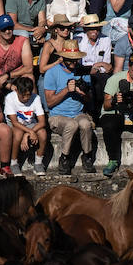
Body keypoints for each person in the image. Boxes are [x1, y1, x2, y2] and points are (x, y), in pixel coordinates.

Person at [42, 46, 96, 175]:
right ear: (63, 58)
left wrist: (83, 94)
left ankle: (87, 156)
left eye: (76, 59)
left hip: (78, 113)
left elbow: (90, 100)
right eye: (70, 60)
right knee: (71, 125)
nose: (74, 62)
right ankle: (64, 158)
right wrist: (66, 90)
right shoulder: (52, 72)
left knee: (85, 124)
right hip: (57, 116)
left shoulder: (82, 72)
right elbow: (49, 103)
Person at [3, 76, 49, 174]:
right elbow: (14, 122)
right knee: (19, 133)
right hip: (14, 125)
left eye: (28, 95)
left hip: (30, 124)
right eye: (23, 95)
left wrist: (28, 134)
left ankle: (38, 163)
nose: (26, 98)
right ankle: (14, 163)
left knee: (43, 133)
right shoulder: (10, 98)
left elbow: (42, 122)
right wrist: (30, 132)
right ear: (16, 91)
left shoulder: (36, 98)